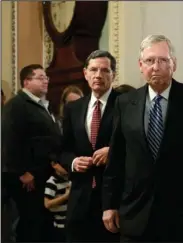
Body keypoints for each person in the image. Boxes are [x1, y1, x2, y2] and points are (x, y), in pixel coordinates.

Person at [102, 34, 183, 242]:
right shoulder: (125, 102)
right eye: (149, 61)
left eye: (162, 60)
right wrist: (109, 205)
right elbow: (117, 158)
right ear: (141, 66)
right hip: (135, 214)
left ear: (173, 64)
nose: (155, 67)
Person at [61, 50, 121, 242]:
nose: (98, 75)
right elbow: (62, 149)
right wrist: (73, 161)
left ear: (113, 74)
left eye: (105, 70)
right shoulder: (74, 108)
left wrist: (113, 150)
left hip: (114, 199)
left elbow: (138, 143)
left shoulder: (127, 103)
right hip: (80, 197)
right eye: (93, 70)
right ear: (85, 73)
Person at [2, 64, 62, 242]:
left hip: (42, 173)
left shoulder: (39, 104)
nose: (46, 81)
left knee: (40, 223)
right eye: (41, 77)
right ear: (26, 82)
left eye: (46, 78)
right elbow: (9, 140)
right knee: (30, 224)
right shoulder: (17, 105)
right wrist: (22, 172)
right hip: (28, 177)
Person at [44, 162, 70, 242]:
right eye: (63, 165)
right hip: (60, 225)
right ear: (54, 165)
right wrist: (65, 196)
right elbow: (47, 204)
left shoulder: (70, 178)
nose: (66, 167)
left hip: (71, 222)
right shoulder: (52, 182)